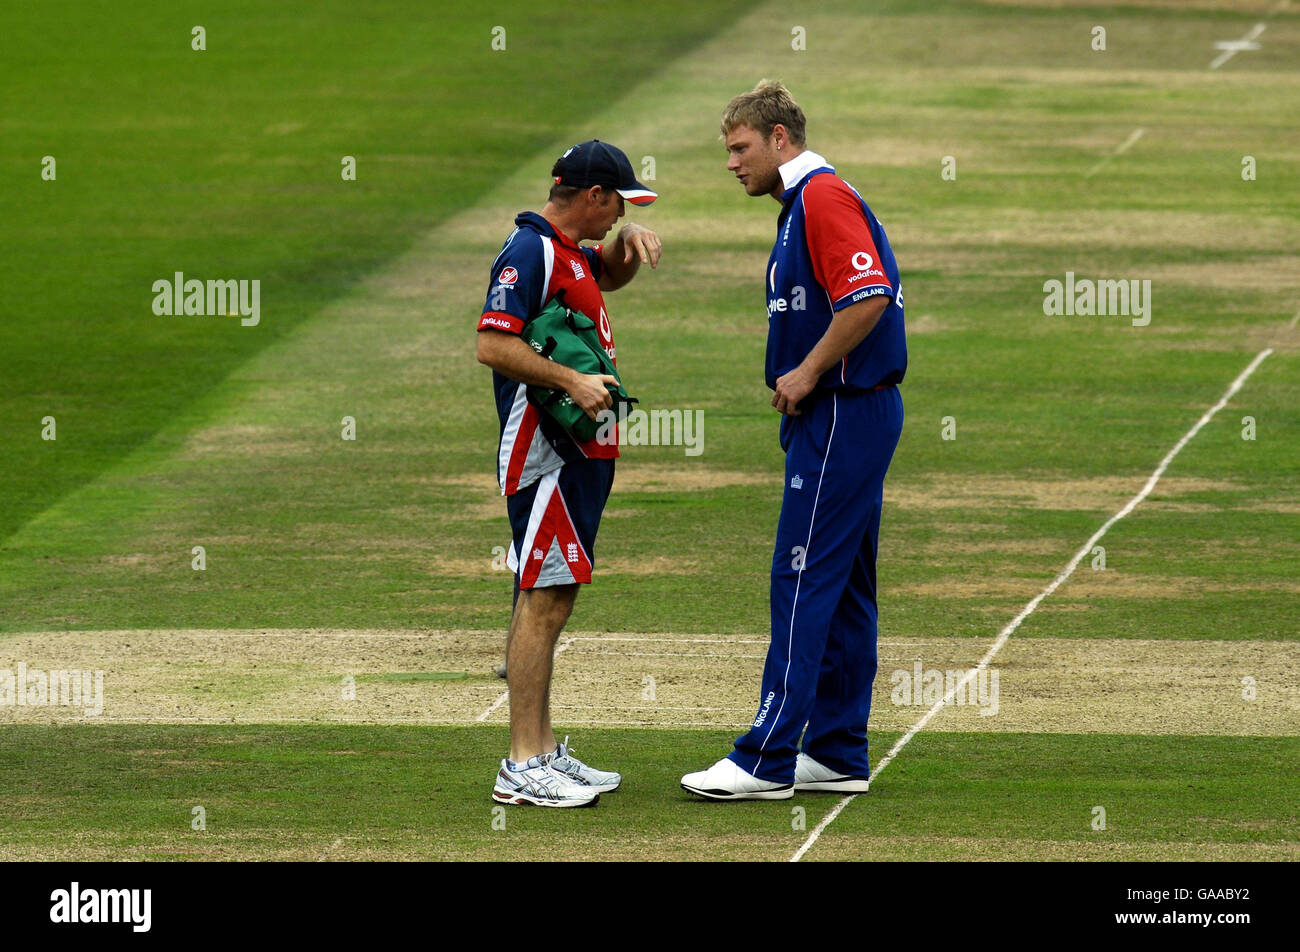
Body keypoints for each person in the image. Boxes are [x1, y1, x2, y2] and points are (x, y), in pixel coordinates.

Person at [682, 81, 906, 800]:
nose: (731, 163)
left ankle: (766, 758)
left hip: (842, 411)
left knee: (803, 577)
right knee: (843, 589)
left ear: (781, 140)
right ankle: (838, 751)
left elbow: (866, 296)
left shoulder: (821, 199)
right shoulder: (801, 205)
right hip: (846, 414)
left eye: (740, 148)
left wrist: (808, 372)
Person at [477, 139, 661, 807]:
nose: (620, 213)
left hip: (579, 449)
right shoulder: (530, 250)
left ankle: (545, 750)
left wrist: (625, 244)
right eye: (618, 204)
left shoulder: (567, 252)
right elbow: (491, 343)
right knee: (545, 596)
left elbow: (604, 276)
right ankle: (522, 763)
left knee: (557, 591)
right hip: (546, 450)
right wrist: (571, 381)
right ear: (593, 197)